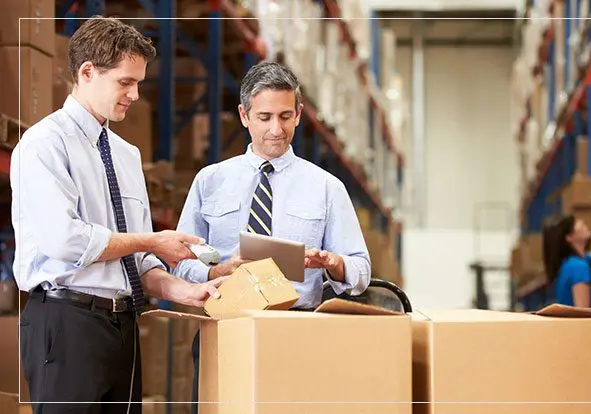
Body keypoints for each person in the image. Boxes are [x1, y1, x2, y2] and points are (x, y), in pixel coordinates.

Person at [11, 17, 226, 414]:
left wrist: (183, 290)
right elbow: (65, 239)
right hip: (66, 321)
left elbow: (137, 259)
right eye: (125, 82)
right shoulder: (43, 145)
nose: (135, 94)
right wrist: (153, 241)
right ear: (87, 72)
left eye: (140, 83)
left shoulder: (126, 156)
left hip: (123, 323)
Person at [173, 60, 371, 407]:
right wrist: (218, 270)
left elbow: (361, 273)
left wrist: (332, 262)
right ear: (244, 115)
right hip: (224, 328)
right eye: (264, 118)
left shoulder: (326, 188)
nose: (276, 129)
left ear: (298, 114)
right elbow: (181, 264)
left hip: (297, 333)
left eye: (284, 116)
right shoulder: (210, 181)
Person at [543, 184, 591, 307]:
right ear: (569, 237)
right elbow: (583, 316)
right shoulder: (579, 267)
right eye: (576, 223)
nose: (582, 222)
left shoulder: (578, 262)